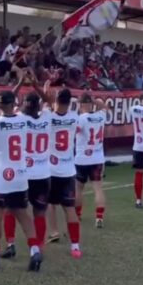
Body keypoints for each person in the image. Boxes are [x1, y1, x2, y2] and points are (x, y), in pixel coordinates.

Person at [0, 91, 42, 272]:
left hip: (0, 179)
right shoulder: (23, 120)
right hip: (20, 176)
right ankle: (35, 250)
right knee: (24, 216)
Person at [1, 74, 51, 258]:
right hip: (42, 174)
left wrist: (21, 83)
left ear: (23, 104)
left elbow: (7, 100)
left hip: (22, 174)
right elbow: (49, 101)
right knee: (39, 213)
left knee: (10, 209)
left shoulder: (19, 118)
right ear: (38, 105)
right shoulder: (47, 117)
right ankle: (39, 248)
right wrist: (39, 88)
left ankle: (10, 244)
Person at [47, 88, 82, 258]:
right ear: (69, 103)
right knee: (69, 209)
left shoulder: (48, 117)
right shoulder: (75, 118)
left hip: (51, 170)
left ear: (56, 100)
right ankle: (75, 246)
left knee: (50, 204)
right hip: (68, 170)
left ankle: (53, 231)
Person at [74, 93, 108, 228]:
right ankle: (99, 217)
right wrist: (94, 100)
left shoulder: (81, 119)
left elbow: (73, 133)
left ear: (81, 104)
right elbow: (105, 107)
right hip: (97, 158)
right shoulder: (101, 115)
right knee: (98, 189)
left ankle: (77, 214)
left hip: (82, 158)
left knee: (78, 188)